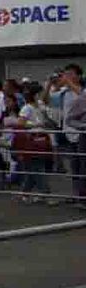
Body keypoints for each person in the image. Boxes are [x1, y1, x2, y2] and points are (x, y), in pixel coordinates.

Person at [61, 64, 86, 205]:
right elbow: (47, 100)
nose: (67, 77)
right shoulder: (65, 92)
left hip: (80, 134)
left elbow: (82, 95)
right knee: (74, 166)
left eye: (70, 74)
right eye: (66, 74)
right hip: (69, 133)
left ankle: (82, 195)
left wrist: (69, 82)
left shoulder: (82, 90)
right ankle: (76, 194)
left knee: (83, 166)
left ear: (79, 76)